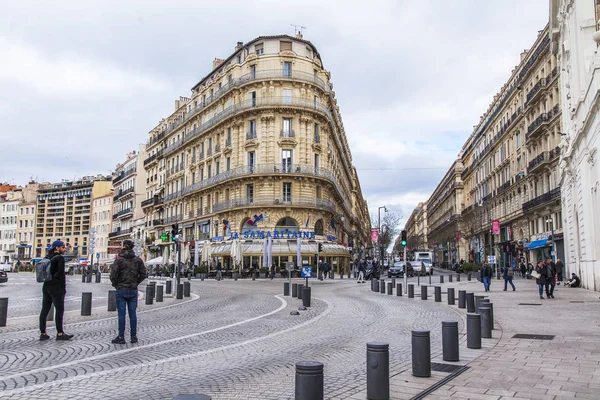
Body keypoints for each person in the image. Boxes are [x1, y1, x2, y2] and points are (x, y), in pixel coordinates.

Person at [110, 239, 147, 344]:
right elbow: (144, 274)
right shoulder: (138, 260)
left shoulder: (119, 260)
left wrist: (115, 284)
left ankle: (121, 337)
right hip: (133, 290)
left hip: (121, 289)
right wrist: (136, 282)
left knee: (121, 314)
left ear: (124, 246)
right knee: (133, 314)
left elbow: (113, 275)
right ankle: (133, 337)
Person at [39, 240, 73, 341]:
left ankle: (43, 333)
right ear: (57, 248)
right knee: (59, 310)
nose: (64, 249)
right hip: (57, 287)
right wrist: (62, 287)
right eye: (62, 247)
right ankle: (59, 333)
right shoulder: (59, 258)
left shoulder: (47, 257)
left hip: (46, 286)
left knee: (45, 309)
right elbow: (61, 274)